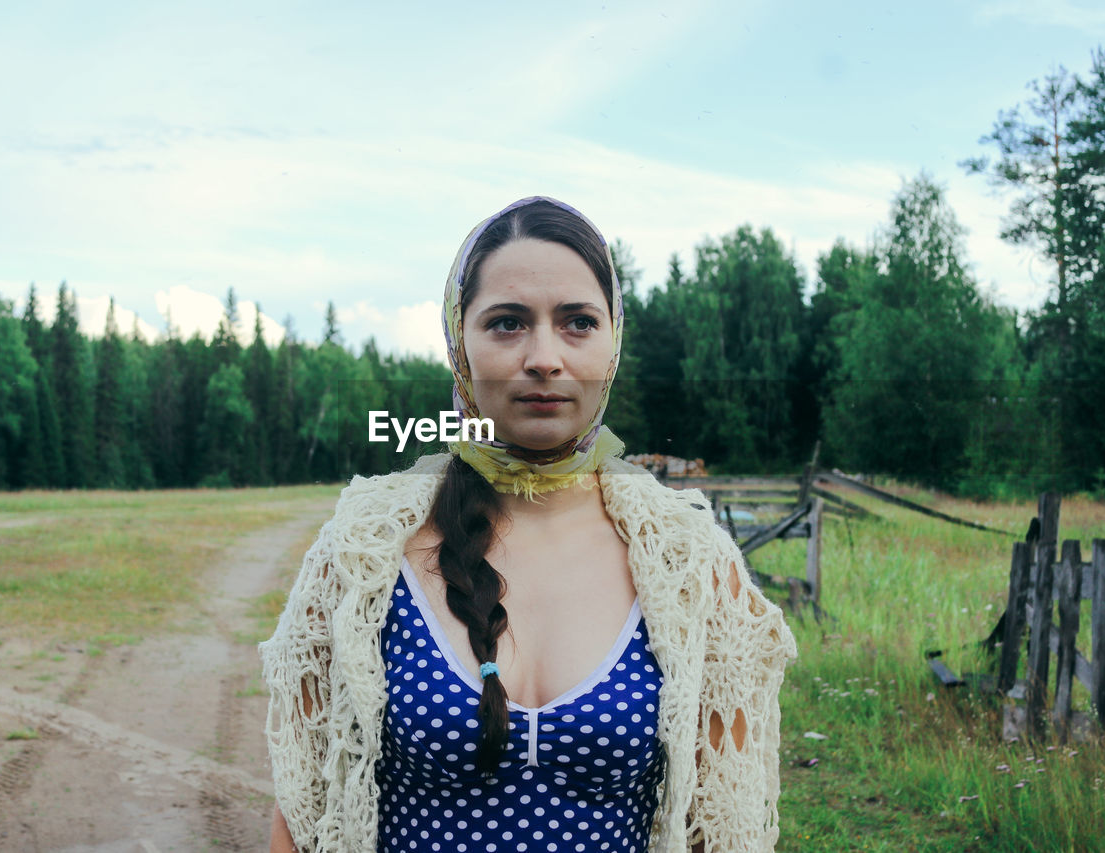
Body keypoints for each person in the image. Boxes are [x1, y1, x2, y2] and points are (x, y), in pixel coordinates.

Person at [260, 196, 798, 853]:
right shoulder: (365, 551)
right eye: (508, 323)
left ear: (613, 339)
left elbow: (720, 829)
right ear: (461, 341)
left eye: (577, 322)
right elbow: (304, 812)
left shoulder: (689, 563)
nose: (544, 356)